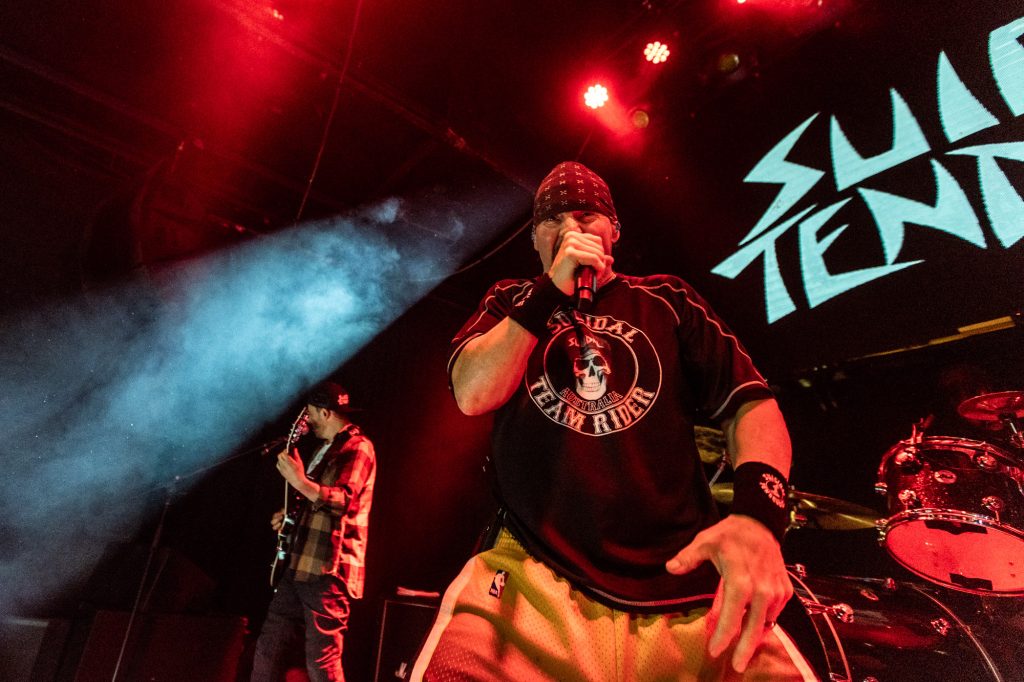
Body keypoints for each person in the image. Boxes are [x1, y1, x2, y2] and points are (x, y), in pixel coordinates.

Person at [413, 162, 813, 680]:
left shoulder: (668, 300)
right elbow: (472, 393)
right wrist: (547, 295)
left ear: (614, 231)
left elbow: (750, 405)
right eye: (552, 221)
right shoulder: (511, 300)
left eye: (585, 216)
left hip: (682, 583)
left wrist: (759, 520)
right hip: (532, 573)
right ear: (534, 240)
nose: (570, 229)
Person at [251, 382, 376, 682]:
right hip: (301, 563)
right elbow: (315, 501)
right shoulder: (325, 449)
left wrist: (300, 481)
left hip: (328, 570)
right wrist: (290, 517)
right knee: (268, 649)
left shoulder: (359, 447)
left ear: (325, 412)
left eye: (311, 416)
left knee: (322, 663)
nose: (308, 423)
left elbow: (342, 501)